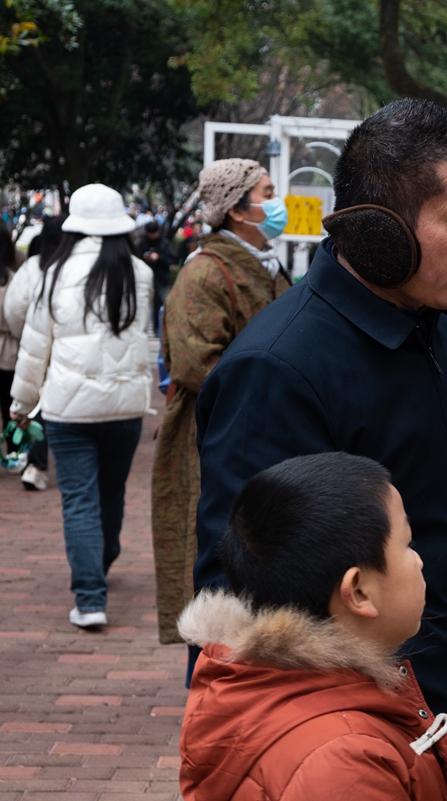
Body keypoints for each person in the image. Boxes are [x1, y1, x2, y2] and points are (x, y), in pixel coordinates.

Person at [193, 99, 447, 758]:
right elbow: (242, 604)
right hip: (347, 742)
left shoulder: (425, 322)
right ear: (380, 230)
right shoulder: (276, 372)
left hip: (430, 715)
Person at [178, 452, 447, 801]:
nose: (419, 560)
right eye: (407, 544)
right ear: (358, 591)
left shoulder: (260, 684)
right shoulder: (346, 766)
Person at [151, 158, 292, 645]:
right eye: (268, 192)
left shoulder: (266, 264)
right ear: (237, 209)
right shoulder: (206, 274)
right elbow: (197, 364)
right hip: (214, 440)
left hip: (265, 437)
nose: (278, 203)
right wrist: (279, 391)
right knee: (219, 573)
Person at [9, 184, 153, 628]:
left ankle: (90, 598)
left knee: (79, 503)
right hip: (126, 408)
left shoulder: (50, 272)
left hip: (68, 410)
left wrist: (22, 401)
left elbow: (35, 349)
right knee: (111, 494)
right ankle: (102, 559)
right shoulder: (140, 273)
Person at [3, 217, 66, 489]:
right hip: (68, 351)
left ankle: (36, 465)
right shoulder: (76, 267)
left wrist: (25, 334)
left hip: (35, 345)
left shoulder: (31, 267)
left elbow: (13, 308)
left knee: (36, 405)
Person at [0, 222, 19, 435]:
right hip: (7, 352)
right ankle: (12, 454)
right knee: (9, 407)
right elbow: (17, 317)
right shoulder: (12, 279)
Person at [141, 221, 176, 333]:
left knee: (160, 305)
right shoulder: (142, 243)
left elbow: (171, 260)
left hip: (161, 278)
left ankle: (159, 328)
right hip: (145, 279)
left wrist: (158, 257)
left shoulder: (164, 243)